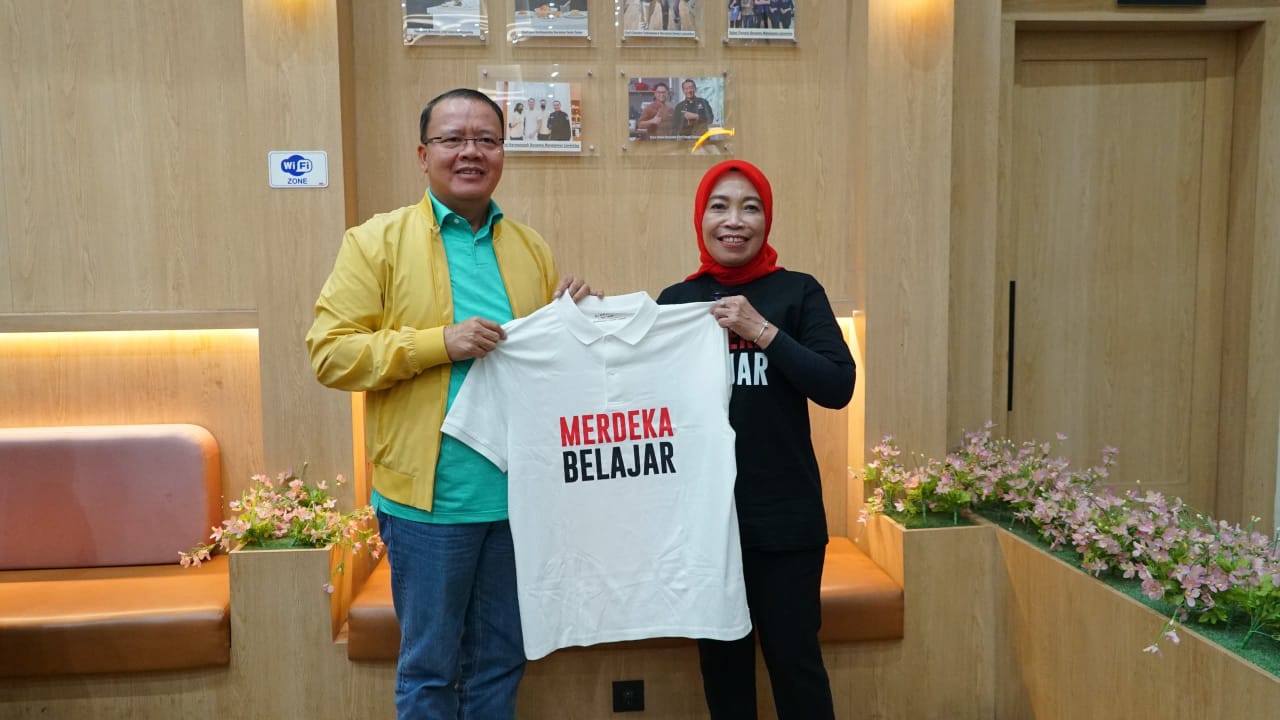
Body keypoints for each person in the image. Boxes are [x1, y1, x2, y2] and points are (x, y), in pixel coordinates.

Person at [306, 88, 597, 720]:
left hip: (519, 500)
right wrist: (438, 343)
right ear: (423, 154)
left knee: (501, 662)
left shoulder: (530, 248)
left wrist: (576, 319)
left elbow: (544, 368)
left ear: (503, 153)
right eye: (453, 139)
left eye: (486, 140)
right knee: (430, 670)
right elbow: (330, 354)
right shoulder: (375, 242)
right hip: (428, 503)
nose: (471, 152)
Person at [657, 160, 854, 720]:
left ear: (767, 219)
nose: (734, 220)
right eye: (719, 206)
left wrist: (760, 330)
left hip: (786, 521)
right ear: (700, 218)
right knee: (723, 674)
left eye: (751, 207)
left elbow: (837, 386)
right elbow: (637, 393)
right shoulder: (676, 301)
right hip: (706, 525)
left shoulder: (798, 292)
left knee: (796, 667)